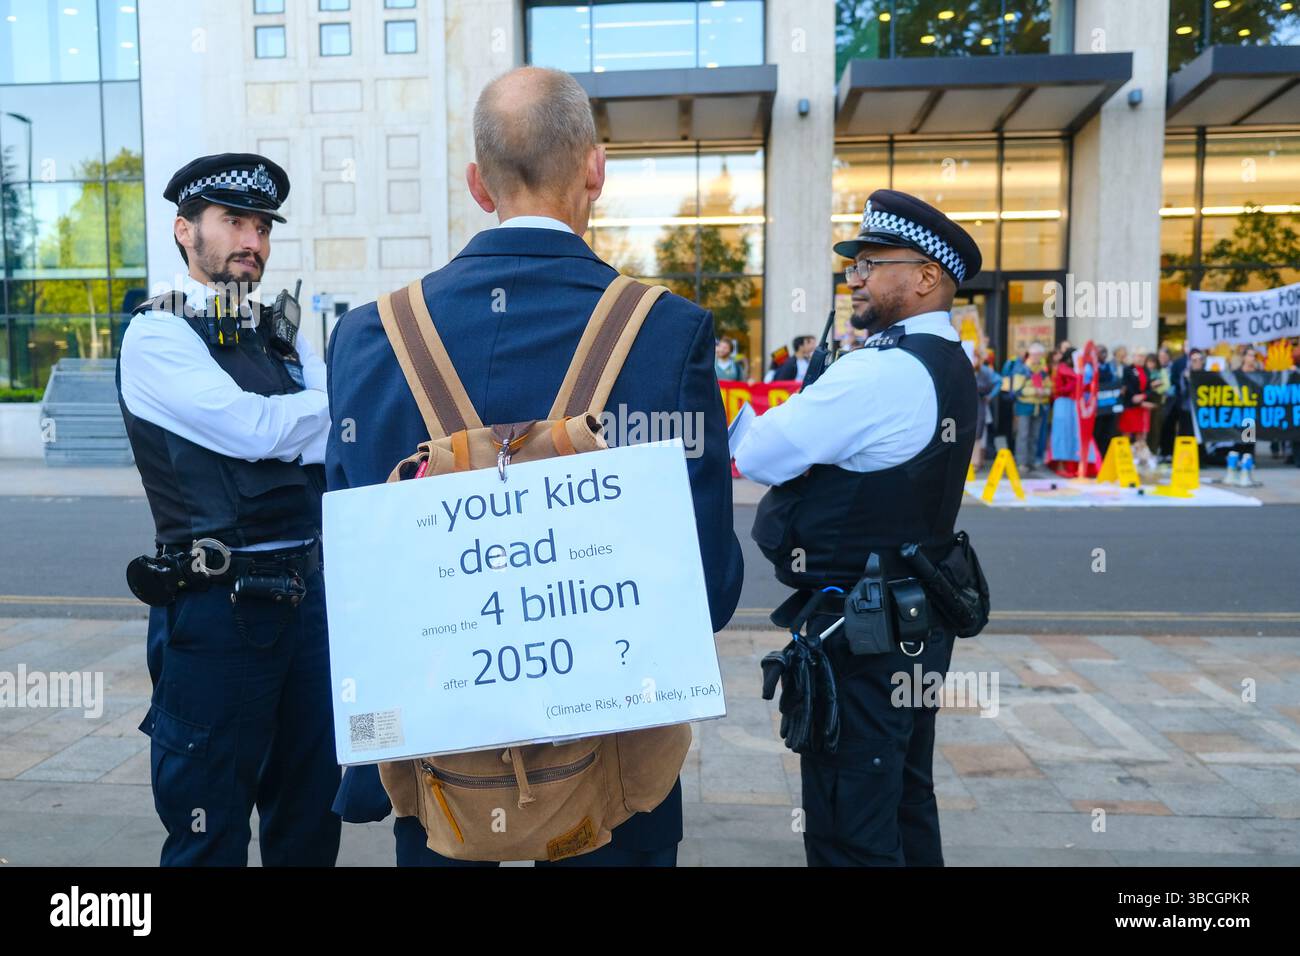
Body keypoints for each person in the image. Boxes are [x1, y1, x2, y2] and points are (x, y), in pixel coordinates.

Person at [325, 66, 744, 867]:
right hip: (612, 798)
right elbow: (709, 590)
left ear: (478, 185)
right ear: (596, 167)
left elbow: (352, 592)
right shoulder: (668, 333)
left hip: (440, 787)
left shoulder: (368, 337)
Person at [735, 188, 981, 866]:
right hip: (915, 620)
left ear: (928, 277)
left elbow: (757, 453)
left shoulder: (883, 372)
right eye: (854, 266)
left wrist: (755, 419)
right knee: (904, 799)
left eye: (873, 263)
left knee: (851, 828)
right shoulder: (949, 364)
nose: (857, 278)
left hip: (863, 637)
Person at [116, 154, 340, 866]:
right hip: (217, 612)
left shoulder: (283, 329)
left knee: (310, 814)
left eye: (262, 226)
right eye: (233, 222)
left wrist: (301, 421)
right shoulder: (157, 334)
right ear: (186, 232)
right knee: (208, 829)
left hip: (306, 605)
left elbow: (320, 435)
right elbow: (254, 429)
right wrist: (311, 417)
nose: (252, 240)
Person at [1007, 342, 1051, 475]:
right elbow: (1017, 389)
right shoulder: (1022, 369)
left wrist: (1045, 392)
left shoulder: (1043, 371)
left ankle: (1031, 461)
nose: (1038, 357)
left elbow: (1049, 387)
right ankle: (1021, 462)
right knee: (1023, 435)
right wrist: (1034, 391)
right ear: (1030, 354)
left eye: (1040, 354)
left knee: (1035, 436)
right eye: (1035, 354)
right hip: (1024, 407)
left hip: (1039, 406)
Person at [1048, 346, 1082, 477]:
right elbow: (1058, 389)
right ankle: (1060, 465)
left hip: (1072, 403)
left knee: (1071, 434)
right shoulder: (1061, 368)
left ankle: (1070, 465)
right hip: (1062, 403)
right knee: (1061, 433)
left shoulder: (1075, 369)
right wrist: (1074, 383)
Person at [972, 348, 1000, 471]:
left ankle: (977, 462)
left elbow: (998, 381)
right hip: (963, 408)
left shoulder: (985, 371)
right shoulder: (960, 368)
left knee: (979, 435)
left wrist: (990, 396)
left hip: (979, 407)